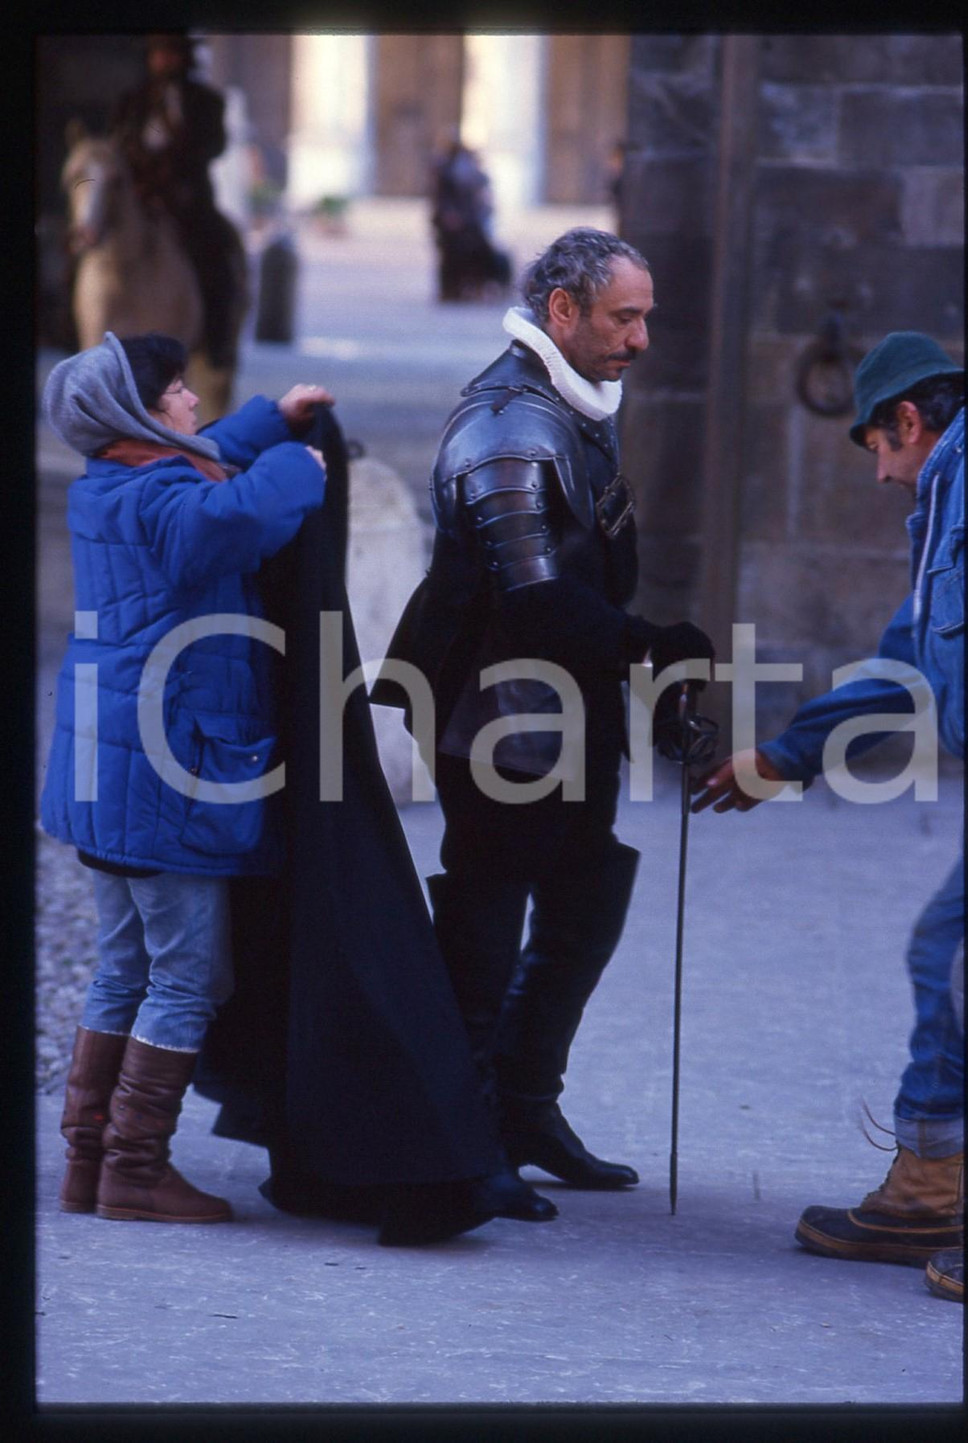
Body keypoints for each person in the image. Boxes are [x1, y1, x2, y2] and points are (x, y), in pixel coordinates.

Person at [40, 332, 500, 1246]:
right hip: (167, 778)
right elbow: (232, 517)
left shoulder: (109, 483)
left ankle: (90, 1160)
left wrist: (270, 423)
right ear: (140, 413)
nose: (191, 402)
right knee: (185, 976)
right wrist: (300, 464)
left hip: (109, 776)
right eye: (176, 392)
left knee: (123, 967)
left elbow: (203, 463)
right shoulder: (165, 499)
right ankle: (136, 1167)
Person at [373, 228, 715, 1219]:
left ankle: (524, 1110)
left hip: (569, 710)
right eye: (623, 317)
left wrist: (643, 674)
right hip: (495, 721)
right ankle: (460, 1137)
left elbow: (582, 579)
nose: (640, 338)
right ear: (561, 311)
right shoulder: (506, 428)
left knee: (584, 903)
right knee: (481, 932)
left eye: (645, 316)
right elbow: (530, 600)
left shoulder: (572, 402)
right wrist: (649, 644)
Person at [690, 332, 964, 1299]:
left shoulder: (966, 479)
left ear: (906, 420)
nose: (882, 473)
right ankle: (930, 1187)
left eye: (880, 447)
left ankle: (934, 1186)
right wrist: (786, 755)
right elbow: (908, 656)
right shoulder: (949, 491)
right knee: (947, 952)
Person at [112, 33, 241, 367]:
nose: (164, 60)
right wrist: (143, 175)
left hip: (187, 198)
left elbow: (214, 145)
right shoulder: (133, 101)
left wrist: (177, 162)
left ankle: (215, 339)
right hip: (139, 197)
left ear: (185, 57)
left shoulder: (207, 101)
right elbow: (120, 144)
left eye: (172, 53)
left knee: (217, 252)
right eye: (158, 53)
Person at [430, 137, 510, 302]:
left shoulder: (464, 171)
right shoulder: (448, 171)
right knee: (456, 254)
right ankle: (455, 289)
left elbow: (484, 199)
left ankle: (469, 287)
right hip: (457, 227)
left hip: (470, 225)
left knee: (479, 253)